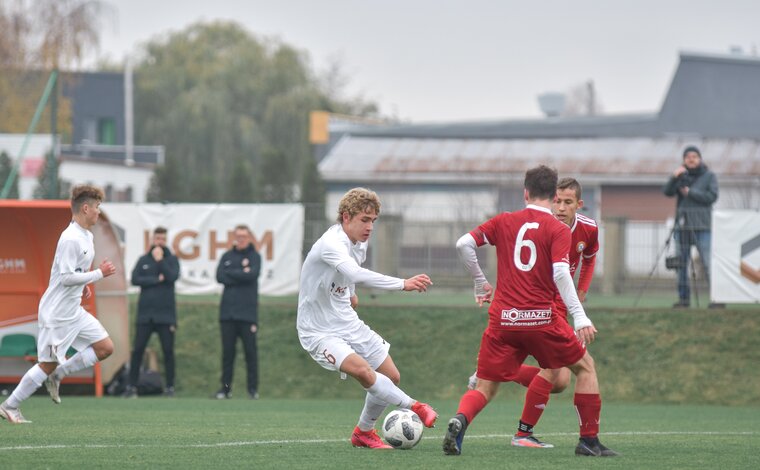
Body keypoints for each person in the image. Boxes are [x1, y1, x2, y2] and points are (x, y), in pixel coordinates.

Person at [442, 165, 617, 457]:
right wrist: (580, 315)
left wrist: (480, 282)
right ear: (553, 195)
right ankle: (588, 441)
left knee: (487, 386)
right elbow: (561, 272)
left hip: (503, 319)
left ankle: (460, 421)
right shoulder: (558, 229)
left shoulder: (504, 220)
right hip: (542, 319)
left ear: (525, 193)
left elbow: (464, 244)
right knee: (585, 368)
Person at [297, 187, 438, 449]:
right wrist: (403, 284)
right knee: (363, 371)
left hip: (346, 320)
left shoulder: (359, 242)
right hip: (318, 330)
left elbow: (351, 275)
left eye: (373, 220)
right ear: (346, 217)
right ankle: (415, 406)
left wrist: (350, 293)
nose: (370, 227)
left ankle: (363, 432)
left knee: (391, 375)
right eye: (364, 219)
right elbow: (355, 271)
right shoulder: (331, 243)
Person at [466, 177, 600, 395]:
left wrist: (582, 290)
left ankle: (489, 372)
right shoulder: (539, 225)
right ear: (551, 200)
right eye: (558, 201)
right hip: (537, 302)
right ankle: (523, 428)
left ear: (579, 204)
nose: (561, 207)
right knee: (562, 372)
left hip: (562, 300)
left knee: (561, 381)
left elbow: (589, 258)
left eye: (568, 202)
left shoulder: (588, 229)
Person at [0, 185, 116, 424]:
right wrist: (98, 274)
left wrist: (82, 285)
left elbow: (73, 273)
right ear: (86, 208)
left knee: (105, 347)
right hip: (57, 314)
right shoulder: (70, 238)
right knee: (46, 364)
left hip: (73, 310)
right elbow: (64, 278)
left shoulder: (87, 236)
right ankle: (10, 406)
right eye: (96, 207)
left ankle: (60, 374)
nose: (98, 212)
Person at [124, 227, 180, 398]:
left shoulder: (171, 260)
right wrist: (156, 280)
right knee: (138, 350)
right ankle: (132, 387)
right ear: (152, 240)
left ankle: (170, 387)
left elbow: (172, 277)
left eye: (163, 239)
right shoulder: (143, 260)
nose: (160, 242)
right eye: (157, 239)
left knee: (168, 351)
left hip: (165, 316)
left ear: (166, 240)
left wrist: (160, 260)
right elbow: (135, 279)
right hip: (145, 315)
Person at [663, 145, 719, 308]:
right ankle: (683, 299)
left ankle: (716, 299)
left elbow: (712, 196)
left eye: (694, 156)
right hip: (683, 227)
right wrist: (674, 177)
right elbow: (667, 192)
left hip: (703, 227)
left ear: (700, 159)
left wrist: (691, 192)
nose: (691, 159)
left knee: (708, 264)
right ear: (684, 160)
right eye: (688, 157)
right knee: (681, 265)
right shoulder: (681, 176)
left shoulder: (709, 176)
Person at [215, 225, 261, 400]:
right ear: (234, 237)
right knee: (228, 354)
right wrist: (241, 273)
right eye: (238, 236)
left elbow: (252, 275)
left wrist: (232, 274)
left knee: (250, 353)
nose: (241, 239)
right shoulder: (227, 256)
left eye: (244, 236)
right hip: (227, 314)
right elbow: (219, 276)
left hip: (247, 314)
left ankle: (252, 390)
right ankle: (225, 389)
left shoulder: (255, 257)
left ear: (249, 238)